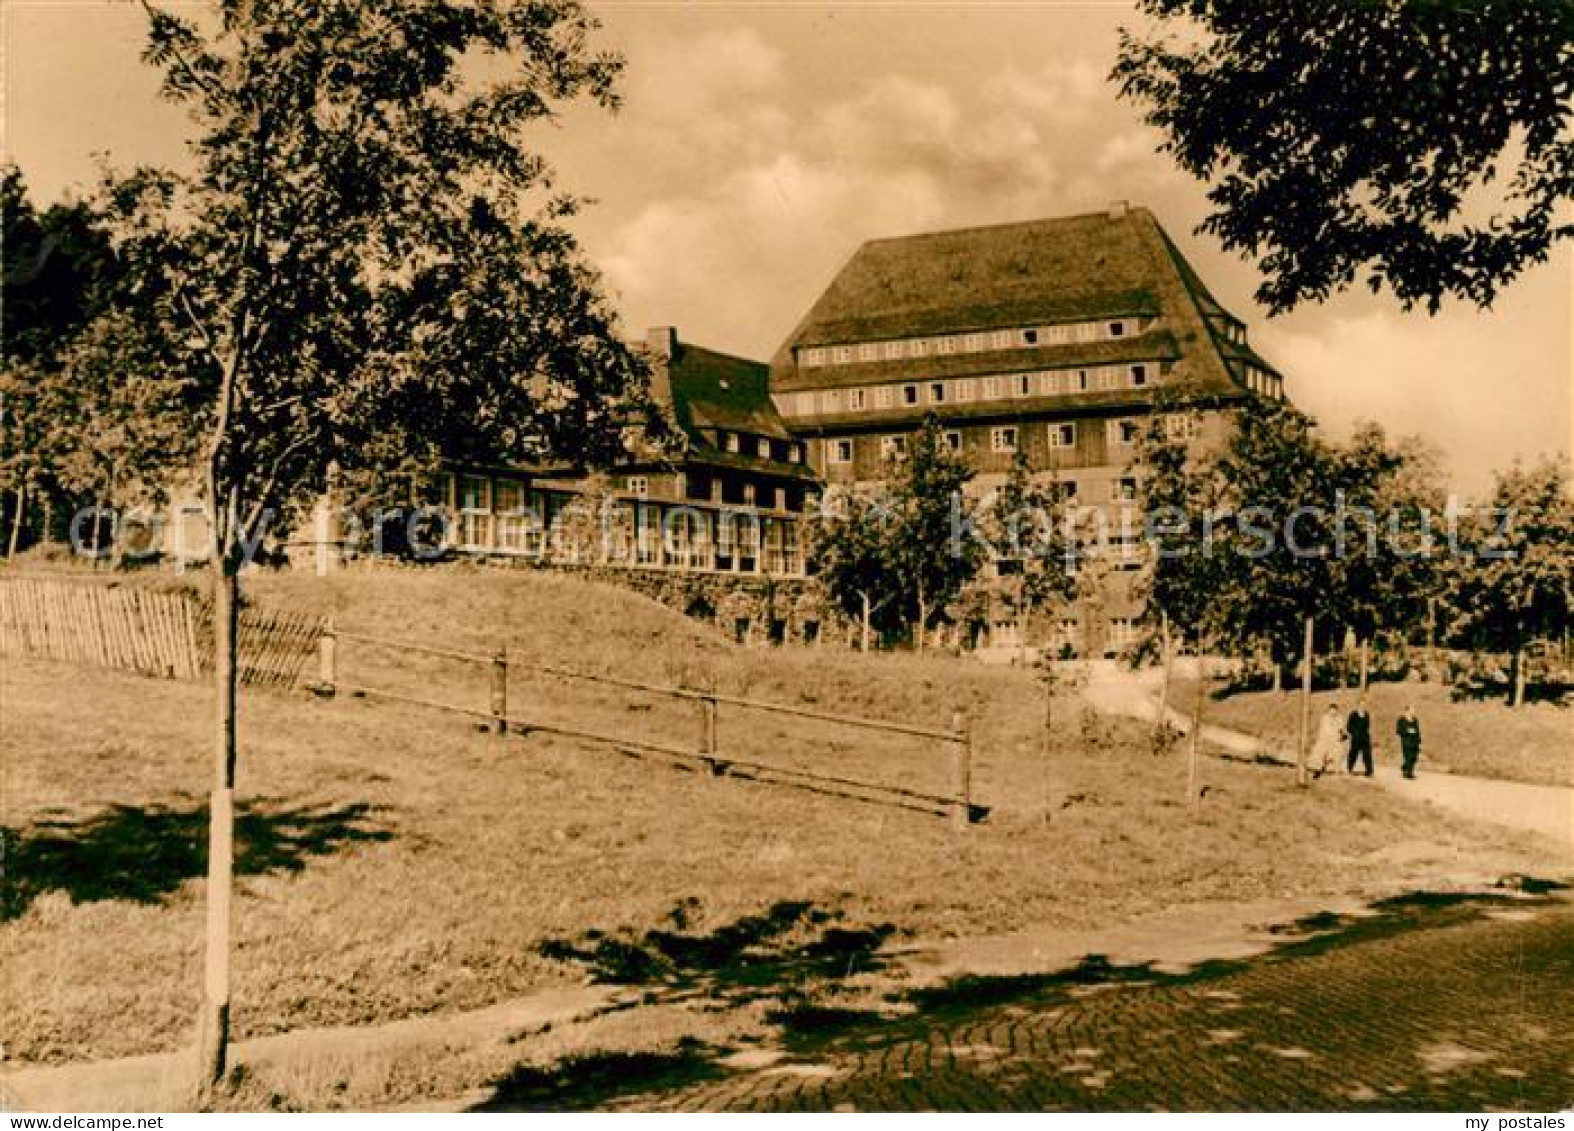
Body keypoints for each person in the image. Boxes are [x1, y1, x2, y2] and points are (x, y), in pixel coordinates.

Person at [1312, 702, 1345, 778]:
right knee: (1321, 755)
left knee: (1337, 754)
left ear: (1337, 711)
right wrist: (1320, 739)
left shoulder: (1339, 718)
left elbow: (1341, 729)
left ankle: (1336, 772)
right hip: (1325, 739)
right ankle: (1318, 770)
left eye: (1334, 711)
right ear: (1329, 710)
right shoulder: (1325, 718)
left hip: (1335, 739)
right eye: (1331, 710)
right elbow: (1322, 729)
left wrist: (1341, 736)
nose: (1333, 712)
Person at [1346, 697, 1374, 776]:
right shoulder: (1353, 714)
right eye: (1361, 704)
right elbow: (1349, 726)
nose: (1363, 706)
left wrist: (1366, 734)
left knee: (1367, 753)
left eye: (1364, 704)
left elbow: (1368, 726)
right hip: (1356, 737)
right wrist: (1354, 733)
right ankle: (1350, 768)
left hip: (1365, 737)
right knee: (1353, 753)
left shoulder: (1367, 714)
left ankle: (1369, 771)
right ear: (1358, 705)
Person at [1396, 705, 1422, 779]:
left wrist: (1419, 741)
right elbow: (1398, 730)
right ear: (1407, 710)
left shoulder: (1415, 720)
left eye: (1413, 710)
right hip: (1406, 740)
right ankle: (1409, 774)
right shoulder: (1401, 719)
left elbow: (1418, 731)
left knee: (1414, 757)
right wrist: (1407, 731)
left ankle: (1404, 767)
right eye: (1412, 710)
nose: (1413, 712)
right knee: (1409, 756)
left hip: (1414, 741)